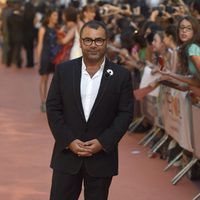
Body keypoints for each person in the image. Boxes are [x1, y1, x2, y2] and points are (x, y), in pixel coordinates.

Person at [46, 20, 133, 200]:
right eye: (88, 40)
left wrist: (103, 142)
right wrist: (68, 140)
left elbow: (125, 114)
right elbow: (53, 108)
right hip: (66, 157)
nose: (93, 45)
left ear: (106, 42)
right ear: (81, 42)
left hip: (101, 160)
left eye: (98, 40)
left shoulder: (121, 76)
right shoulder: (63, 70)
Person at [37, 8, 59, 112]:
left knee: (56, 80)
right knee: (44, 79)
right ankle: (43, 102)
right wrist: (38, 59)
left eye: (57, 15)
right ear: (49, 16)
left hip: (56, 56)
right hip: (46, 55)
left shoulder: (58, 28)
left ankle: (54, 102)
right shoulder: (43, 28)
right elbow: (40, 44)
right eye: (54, 15)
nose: (56, 17)